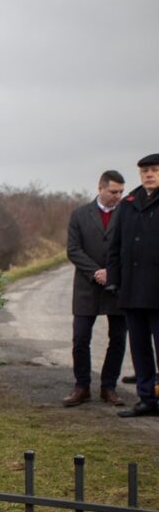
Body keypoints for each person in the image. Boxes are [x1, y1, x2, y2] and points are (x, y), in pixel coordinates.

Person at [63, 170, 127, 408]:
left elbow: (129, 247)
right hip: (86, 286)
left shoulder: (126, 214)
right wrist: (96, 272)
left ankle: (109, 387)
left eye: (121, 192)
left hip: (117, 285)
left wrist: (111, 271)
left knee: (118, 339)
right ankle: (82, 386)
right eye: (113, 192)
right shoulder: (80, 215)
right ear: (100, 188)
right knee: (80, 337)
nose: (117, 196)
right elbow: (73, 249)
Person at [108, 154, 159, 417]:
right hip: (132, 289)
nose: (149, 174)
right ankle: (147, 398)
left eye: (153, 170)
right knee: (139, 348)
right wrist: (115, 280)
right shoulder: (129, 204)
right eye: (144, 171)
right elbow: (116, 245)